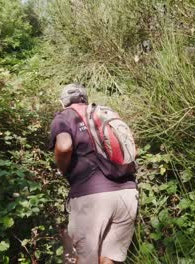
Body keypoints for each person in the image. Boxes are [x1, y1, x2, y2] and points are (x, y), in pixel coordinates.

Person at [49, 83, 138, 264]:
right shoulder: (105, 113)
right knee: (109, 259)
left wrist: (62, 169)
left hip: (92, 198)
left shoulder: (64, 116)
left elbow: (64, 145)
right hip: (126, 194)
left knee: (82, 260)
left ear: (63, 102)